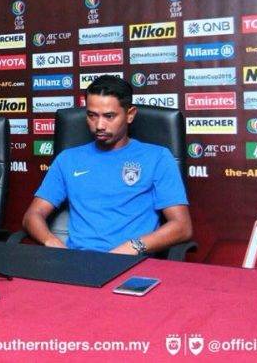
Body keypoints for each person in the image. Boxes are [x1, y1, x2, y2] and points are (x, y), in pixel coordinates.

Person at [23, 75, 192, 254]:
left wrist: (133, 247)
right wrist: (51, 241)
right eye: (92, 116)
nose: (99, 125)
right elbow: (32, 215)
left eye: (109, 116)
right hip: (78, 260)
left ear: (130, 114)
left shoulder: (157, 157)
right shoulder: (67, 159)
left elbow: (182, 227)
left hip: (132, 259)